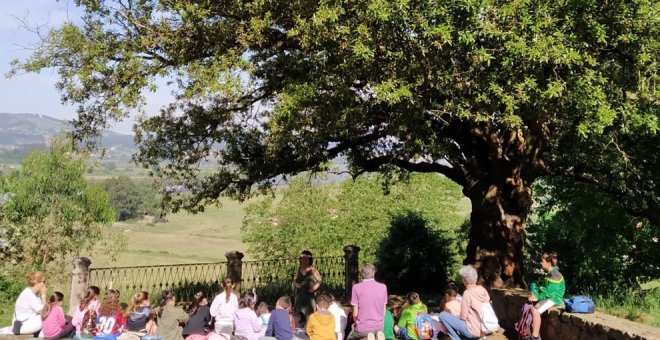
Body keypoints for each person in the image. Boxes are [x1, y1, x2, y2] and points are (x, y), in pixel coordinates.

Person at [439, 266, 490, 340]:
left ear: (466, 280)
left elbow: (463, 317)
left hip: (472, 330)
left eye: (462, 279)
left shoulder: (467, 293)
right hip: (484, 329)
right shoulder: (482, 289)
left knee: (442, 315)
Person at [528, 252, 565, 340]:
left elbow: (550, 293)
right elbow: (543, 288)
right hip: (549, 297)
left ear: (548, 264)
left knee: (535, 311)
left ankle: (535, 337)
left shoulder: (555, 275)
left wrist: (537, 297)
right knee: (532, 309)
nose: (540, 263)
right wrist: (535, 294)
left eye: (542, 261)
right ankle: (535, 334)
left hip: (554, 298)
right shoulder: (549, 273)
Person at [347, 263, 387, 340]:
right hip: (379, 327)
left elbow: (355, 314)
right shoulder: (383, 287)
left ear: (362, 274)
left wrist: (356, 321)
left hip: (363, 328)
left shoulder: (356, 288)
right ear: (374, 273)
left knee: (350, 338)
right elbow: (383, 311)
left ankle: (366, 338)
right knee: (372, 333)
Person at [11, 271, 47, 335]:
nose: (44, 284)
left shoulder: (34, 294)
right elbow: (44, 311)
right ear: (37, 283)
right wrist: (43, 295)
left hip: (28, 322)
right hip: (22, 325)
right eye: (43, 282)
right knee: (46, 317)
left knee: (48, 317)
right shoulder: (28, 295)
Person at [294, 250, 322, 326]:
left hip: (309, 296)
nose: (304, 261)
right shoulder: (299, 269)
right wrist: (297, 284)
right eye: (302, 259)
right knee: (299, 314)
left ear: (309, 260)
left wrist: (313, 288)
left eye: (306, 259)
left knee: (309, 315)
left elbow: (319, 281)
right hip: (300, 295)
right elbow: (295, 280)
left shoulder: (313, 270)